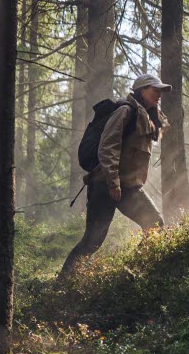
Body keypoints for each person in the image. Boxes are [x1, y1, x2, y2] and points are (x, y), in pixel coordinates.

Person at [60, 74, 170, 275]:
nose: (159, 95)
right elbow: (107, 148)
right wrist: (113, 183)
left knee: (154, 223)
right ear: (142, 90)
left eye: (160, 91)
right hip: (105, 185)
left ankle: (135, 272)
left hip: (128, 187)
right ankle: (62, 284)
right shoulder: (125, 112)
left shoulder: (148, 117)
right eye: (156, 90)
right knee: (93, 240)